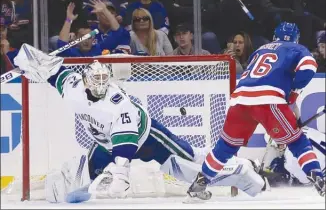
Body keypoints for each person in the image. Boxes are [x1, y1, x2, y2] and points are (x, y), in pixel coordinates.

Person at [13, 44, 268, 202]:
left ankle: (240, 172)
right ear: (86, 81)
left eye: (105, 80)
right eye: (96, 81)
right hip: (104, 143)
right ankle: (239, 167)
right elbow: (52, 70)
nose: (101, 85)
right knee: (79, 185)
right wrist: (28, 58)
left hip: (147, 137)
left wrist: (120, 174)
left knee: (184, 165)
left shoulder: (116, 102)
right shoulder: (73, 88)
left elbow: (126, 143)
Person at [187, 22, 325, 200]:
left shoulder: (260, 50)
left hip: (239, 99)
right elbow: (309, 67)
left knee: (226, 147)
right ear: (296, 38)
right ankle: (318, 178)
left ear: (275, 37)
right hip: (268, 100)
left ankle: (199, 183)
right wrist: (293, 91)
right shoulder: (297, 48)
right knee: (298, 142)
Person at [57, 0, 130, 57]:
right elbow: (61, 45)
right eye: (82, 37)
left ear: (93, 39)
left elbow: (118, 32)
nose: (86, 41)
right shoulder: (72, 52)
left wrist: (104, 10)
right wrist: (68, 20)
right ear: (76, 39)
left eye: (89, 37)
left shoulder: (99, 49)